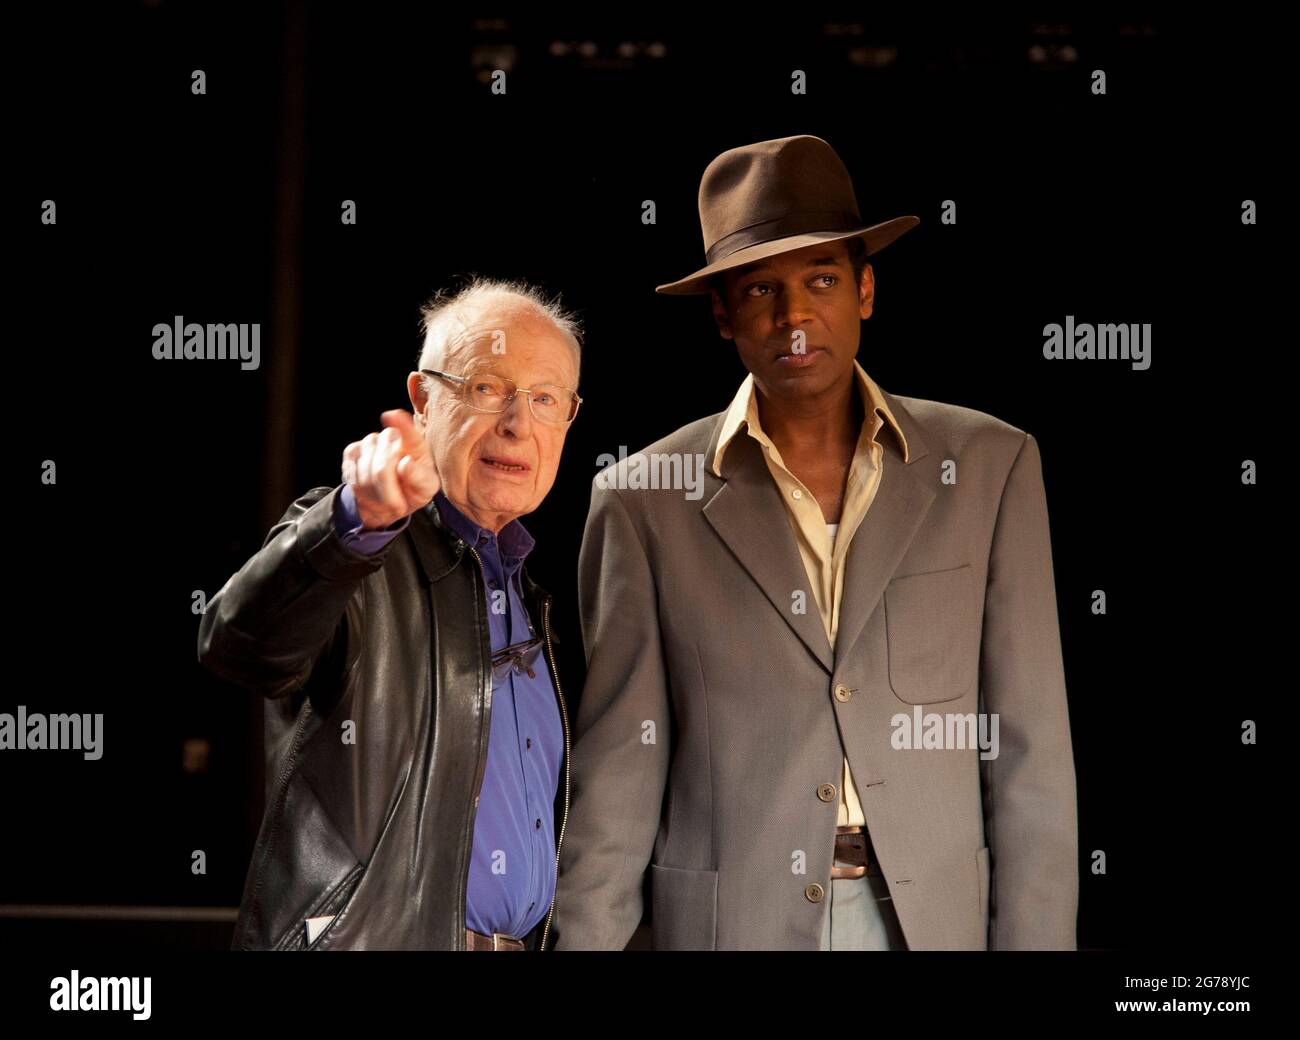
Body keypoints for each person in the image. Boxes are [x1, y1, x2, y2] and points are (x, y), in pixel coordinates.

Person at [551, 135, 1078, 950]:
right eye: (761, 288)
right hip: (734, 928)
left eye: (822, 280)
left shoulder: (989, 466)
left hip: (932, 924)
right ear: (723, 314)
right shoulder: (641, 502)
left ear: (865, 291)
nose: (794, 316)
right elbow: (620, 770)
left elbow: (1028, 751)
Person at [198, 277, 584, 950]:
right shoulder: (358, 553)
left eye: (545, 399)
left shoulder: (539, 607)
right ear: (423, 400)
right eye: (486, 388)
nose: (517, 423)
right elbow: (240, 644)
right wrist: (354, 524)